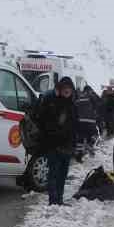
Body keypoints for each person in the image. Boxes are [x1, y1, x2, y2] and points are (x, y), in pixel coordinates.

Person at [34, 75, 79, 205]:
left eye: (69, 88)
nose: (67, 90)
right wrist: (54, 135)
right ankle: (53, 201)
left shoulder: (72, 104)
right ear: (60, 88)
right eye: (65, 88)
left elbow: (75, 125)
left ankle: (59, 199)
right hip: (53, 145)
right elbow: (45, 122)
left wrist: (74, 144)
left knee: (62, 174)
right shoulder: (52, 102)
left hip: (67, 145)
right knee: (54, 173)